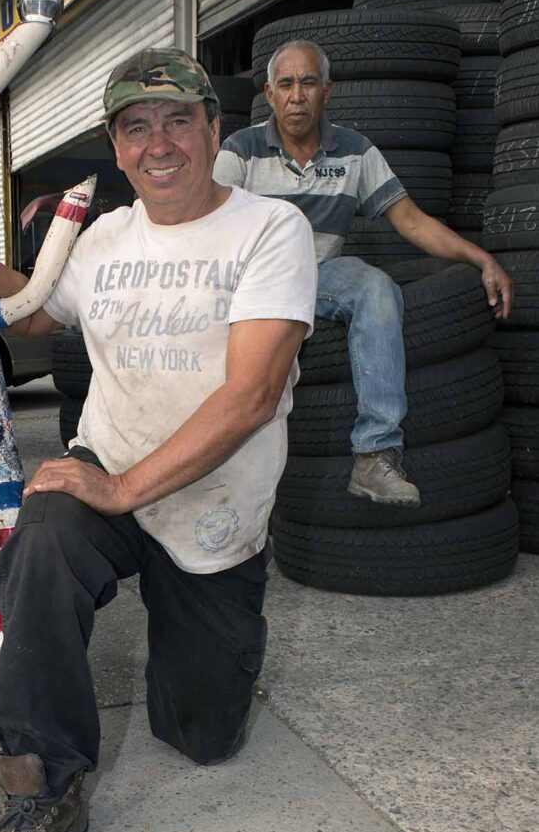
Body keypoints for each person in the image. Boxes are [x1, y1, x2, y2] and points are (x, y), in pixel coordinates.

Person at [0, 47, 318, 832]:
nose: (159, 143)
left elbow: (251, 396)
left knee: (202, 737)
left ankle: (190, 663)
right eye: (135, 127)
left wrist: (123, 490)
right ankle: (38, 783)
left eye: (178, 120)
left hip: (213, 504)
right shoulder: (104, 237)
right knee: (40, 542)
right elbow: (34, 313)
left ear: (214, 129)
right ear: (115, 147)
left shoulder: (270, 230)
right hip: (108, 462)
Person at [214, 39, 514, 506]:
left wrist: (482, 259)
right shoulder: (240, 151)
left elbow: (411, 221)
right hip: (254, 283)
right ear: (269, 95)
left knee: (375, 285)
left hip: (319, 276)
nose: (297, 96)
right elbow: (208, 228)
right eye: (286, 85)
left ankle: (375, 454)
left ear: (327, 90)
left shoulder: (355, 151)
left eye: (308, 83)